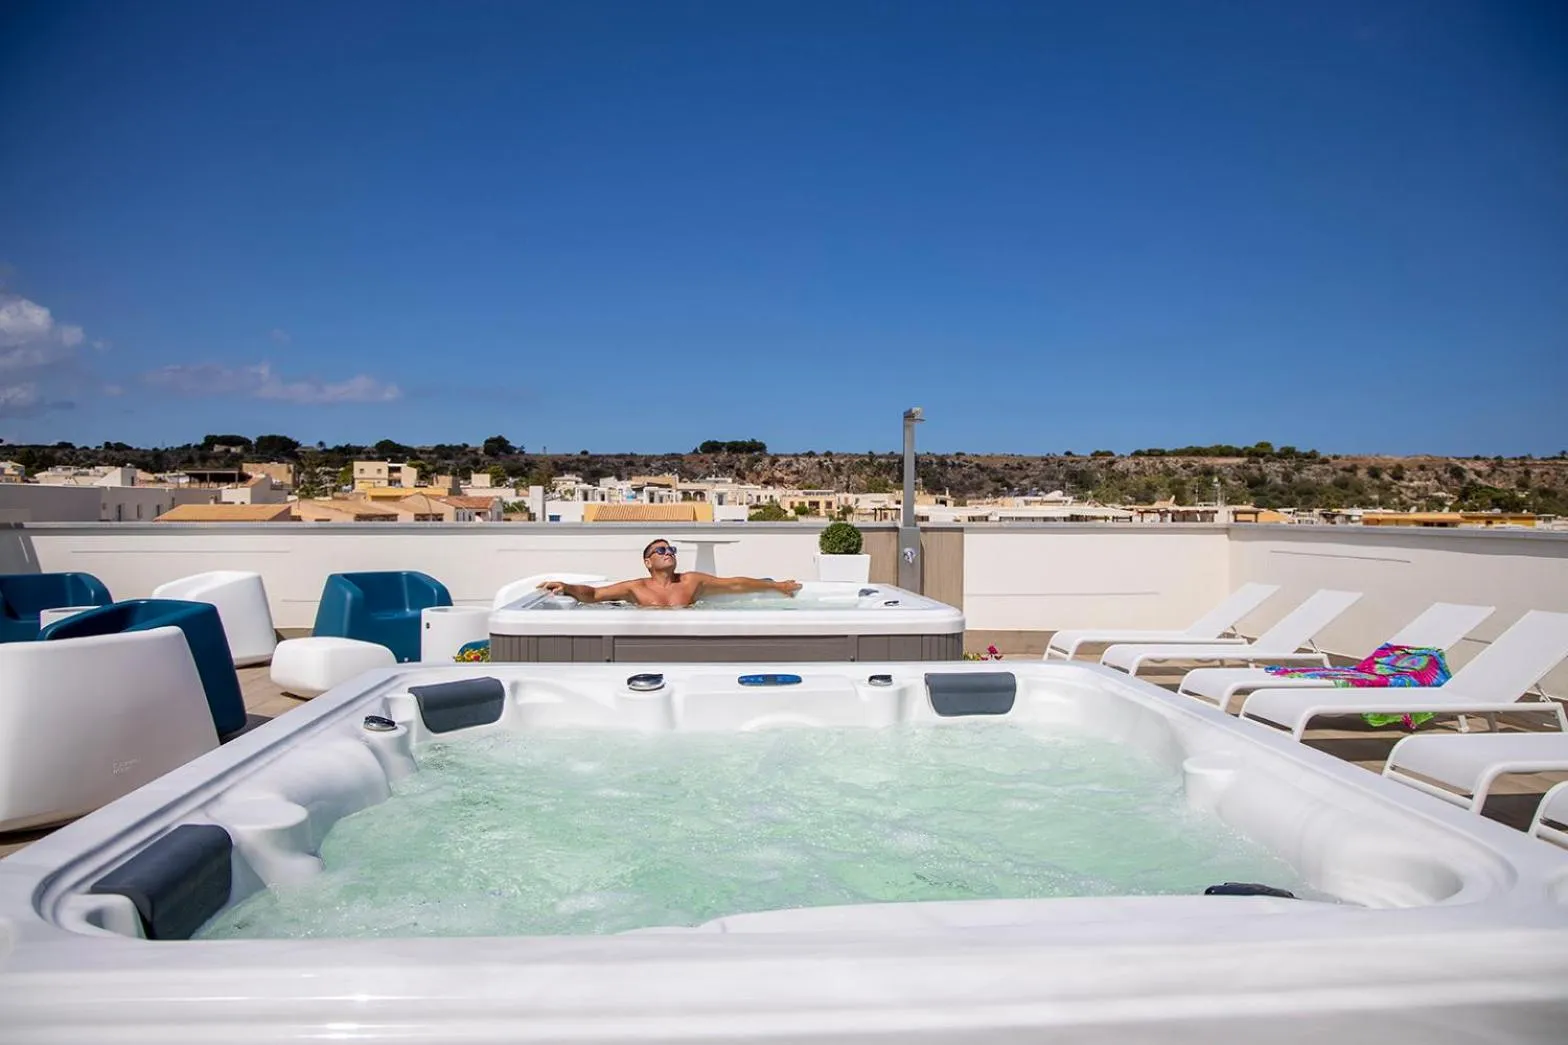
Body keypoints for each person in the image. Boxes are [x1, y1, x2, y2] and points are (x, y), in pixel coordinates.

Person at [537, 538, 802, 608]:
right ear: (648, 562)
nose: (668, 553)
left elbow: (733, 584)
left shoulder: (691, 581)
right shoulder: (636, 588)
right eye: (661, 550)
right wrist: (567, 587)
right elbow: (594, 594)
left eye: (671, 549)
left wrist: (776, 586)